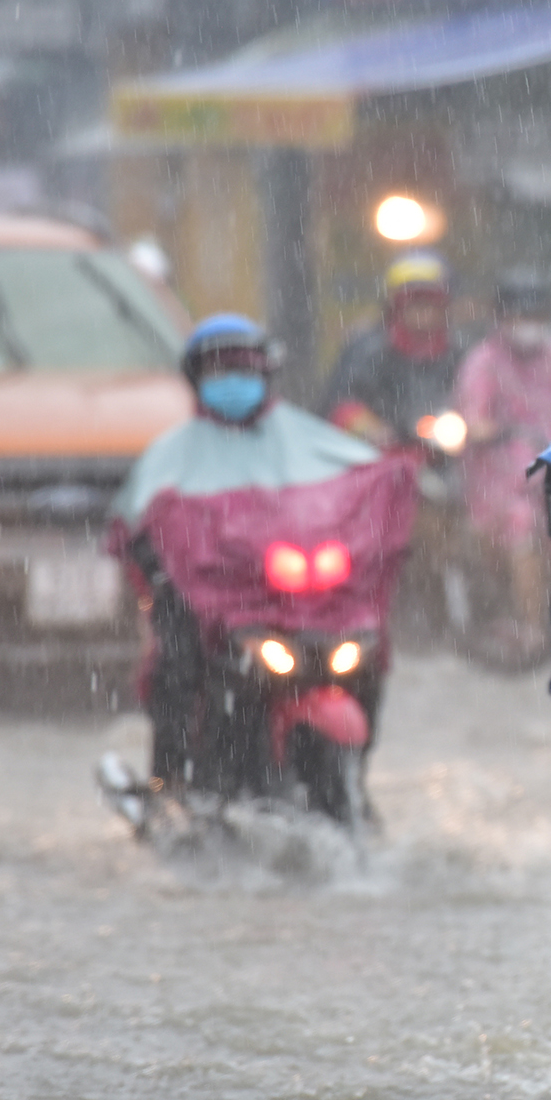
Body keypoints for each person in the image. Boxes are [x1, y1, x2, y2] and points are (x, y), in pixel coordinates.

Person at [108, 314, 382, 794]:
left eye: (244, 370)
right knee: (181, 667)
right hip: (208, 603)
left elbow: (364, 491)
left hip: (300, 600)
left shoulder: (309, 442)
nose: (233, 382)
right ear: (197, 378)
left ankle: (356, 778)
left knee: (368, 659)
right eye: (220, 371)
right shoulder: (171, 457)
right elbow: (134, 524)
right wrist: (170, 567)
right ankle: (173, 783)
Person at [452, 265, 551, 667]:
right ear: (502, 318)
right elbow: (474, 418)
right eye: (520, 317)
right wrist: (494, 429)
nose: (528, 326)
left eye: (536, 317)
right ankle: (532, 628)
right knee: (522, 530)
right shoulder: (484, 362)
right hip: (502, 484)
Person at [322, 251, 471, 447]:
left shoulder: (459, 353)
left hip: (444, 460)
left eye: (430, 303)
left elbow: (476, 404)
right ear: (395, 307)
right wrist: (369, 428)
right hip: (376, 459)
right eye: (414, 303)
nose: (422, 312)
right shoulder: (367, 350)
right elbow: (341, 403)